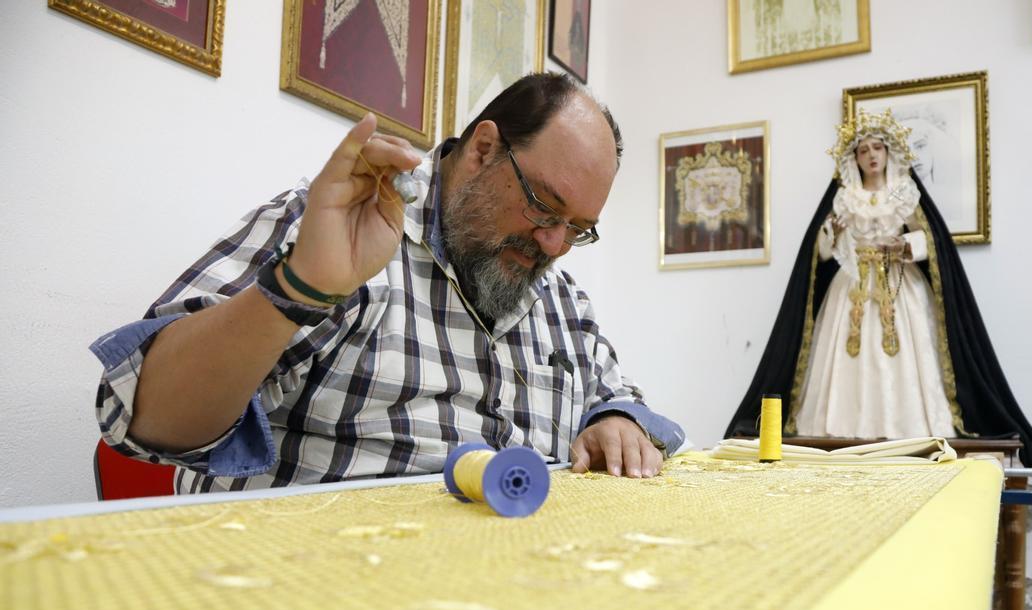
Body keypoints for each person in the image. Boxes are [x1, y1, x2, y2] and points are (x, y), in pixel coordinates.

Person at [91, 73, 685, 493]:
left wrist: (618, 420)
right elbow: (143, 420)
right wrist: (298, 290)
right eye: (542, 206)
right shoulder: (341, 227)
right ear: (482, 150)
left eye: (578, 229)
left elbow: (620, 396)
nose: (555, 245)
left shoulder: (558, 296)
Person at [724, 110, 1032, 467]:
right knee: (844, 357)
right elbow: (822, 253)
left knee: (906, 356)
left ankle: (908, 427)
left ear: (889, 153)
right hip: (852, 286)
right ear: (853, 159)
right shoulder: (845, 198)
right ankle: (839, 430)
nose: (871, 155)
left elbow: (929, 239)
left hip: (898, 285)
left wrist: (904, 246)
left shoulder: (904, 192)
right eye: (863, 150)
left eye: (877, 148)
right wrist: (834, 234)